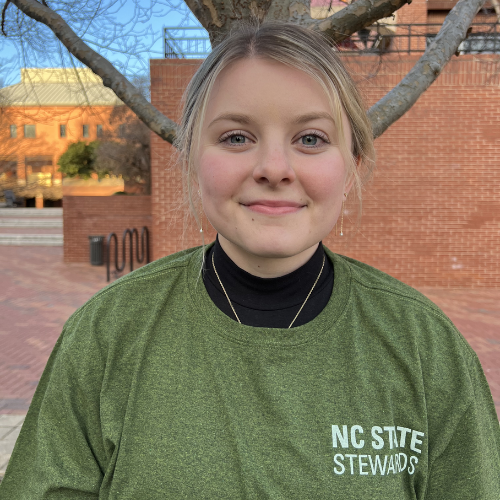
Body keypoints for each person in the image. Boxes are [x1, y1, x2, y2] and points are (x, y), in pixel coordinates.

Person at [1, 22, 499, 499]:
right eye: (237, 137)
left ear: (351, 169)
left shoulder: (426, 347)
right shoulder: (106, 335)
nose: (274, 169)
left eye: (311, 139)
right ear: (194, 164)